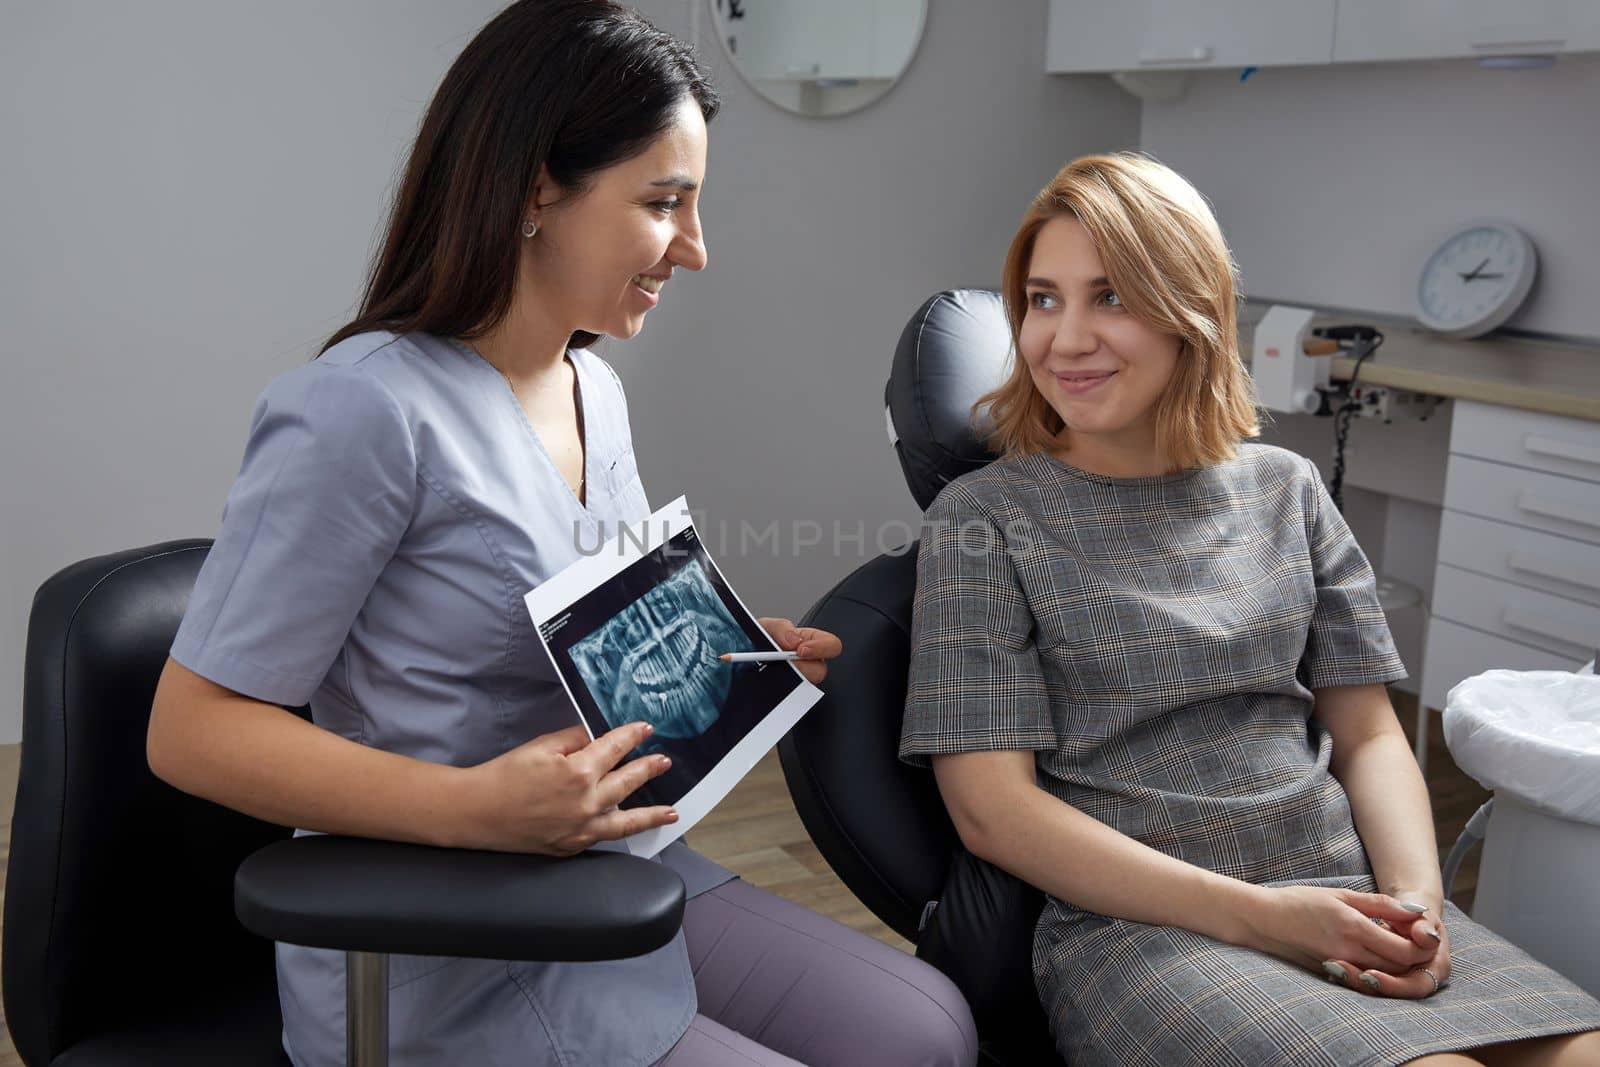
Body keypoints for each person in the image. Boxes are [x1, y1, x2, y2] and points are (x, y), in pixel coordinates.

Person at [146, 3, 976, 1065]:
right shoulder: (360, 410)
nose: (697, 248)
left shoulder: (594, 385)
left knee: (926, 1027)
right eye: (663, 202)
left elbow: (584, 639)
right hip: (447, 935)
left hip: (612, 867)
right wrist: (475, 806)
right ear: (538, 187)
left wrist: (722, 661)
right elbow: (191, 728)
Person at [898, 151, 1600, 1067]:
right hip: (1150, 931)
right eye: (1042, 298)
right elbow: (994, 812)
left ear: (1190, 309)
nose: (1064, 338)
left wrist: (1419, 905)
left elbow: (1370, 733)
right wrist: (1269, 918)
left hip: (1345, 890)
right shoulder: (986, 518)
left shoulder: (1286, 488)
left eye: (1110, 297)